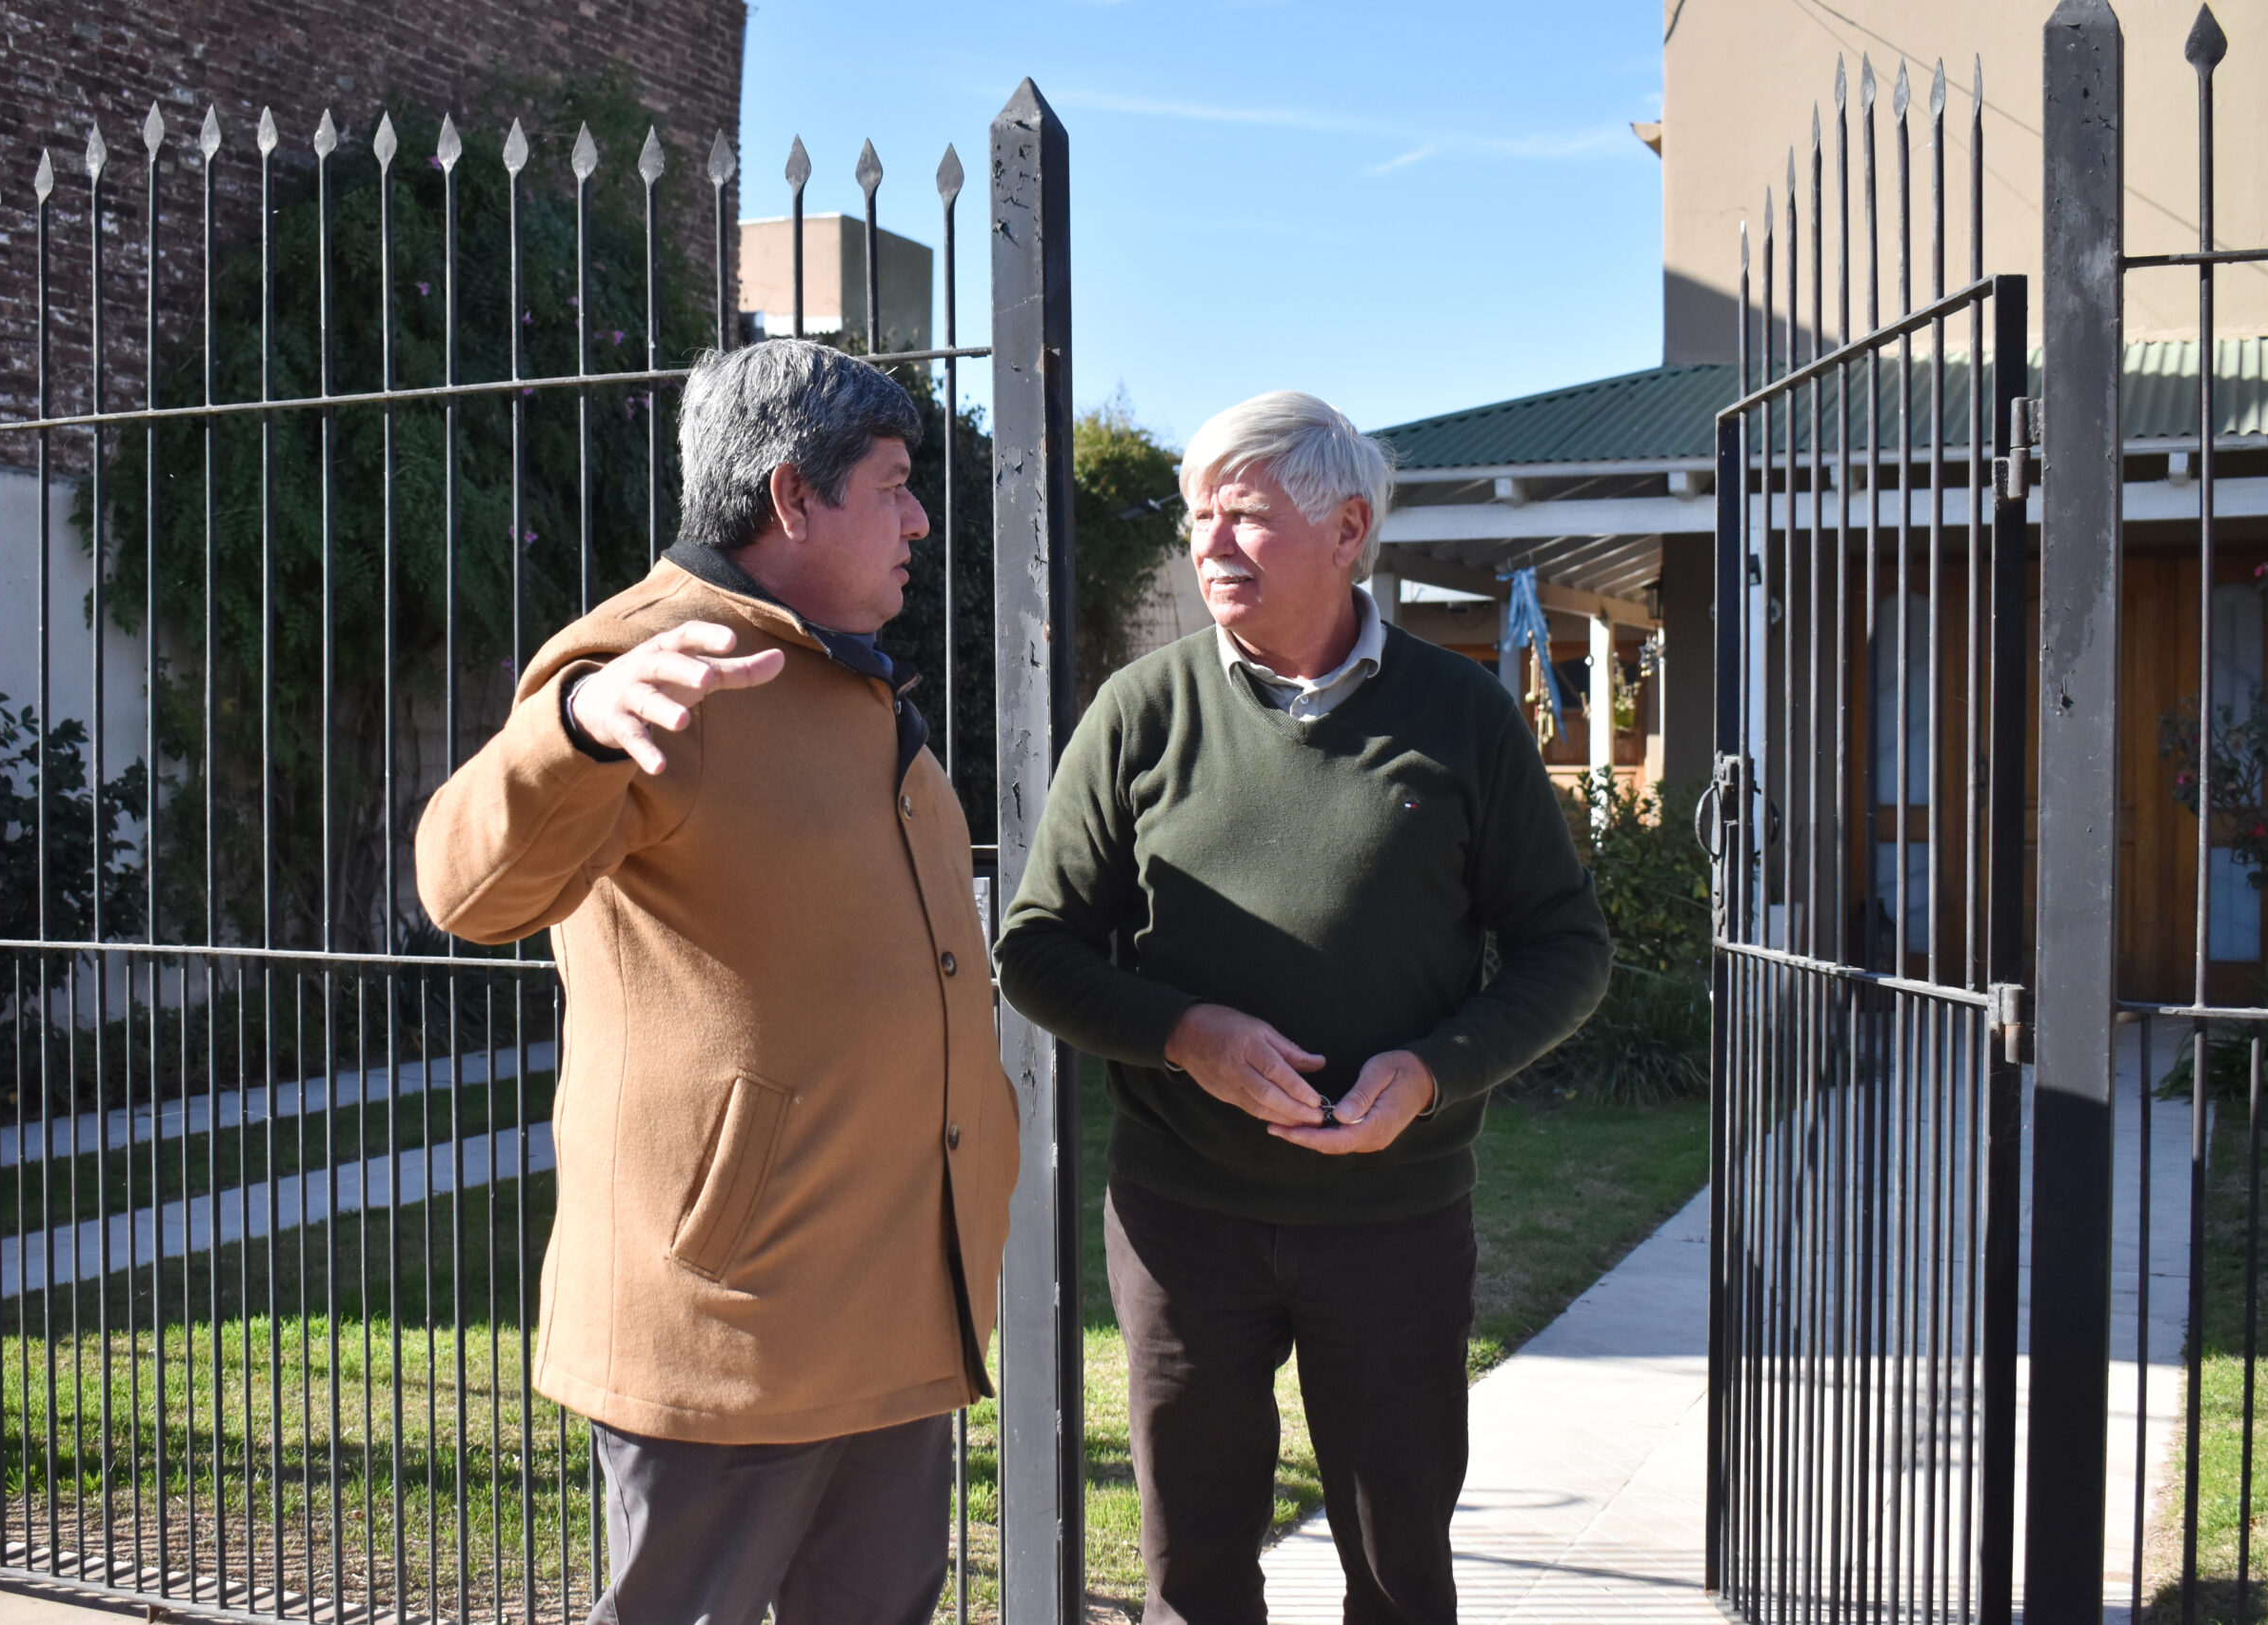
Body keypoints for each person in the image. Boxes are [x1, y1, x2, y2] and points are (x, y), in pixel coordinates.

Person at [415, 338, 1018, 1625]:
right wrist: (572, 729)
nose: (920, 519)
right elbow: (467, 890)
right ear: (795, 497)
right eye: (896, 485)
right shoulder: (642, 661)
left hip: (892, 1309)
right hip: (731, 1329)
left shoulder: (830, 663)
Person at [995, 391, 1612, 1625]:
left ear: (1345, 529)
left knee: (1398, 1571)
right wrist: (1188, 1036)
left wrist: (1436, 1070)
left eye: (1243, 519)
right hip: (1184, 1226)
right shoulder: (1142, 713)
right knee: (1194, 1571)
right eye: (1198, 518)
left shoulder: (1464, 718)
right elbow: (1038, 951)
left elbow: (1567, 949)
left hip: (1394, 1226)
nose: (1208, 546)